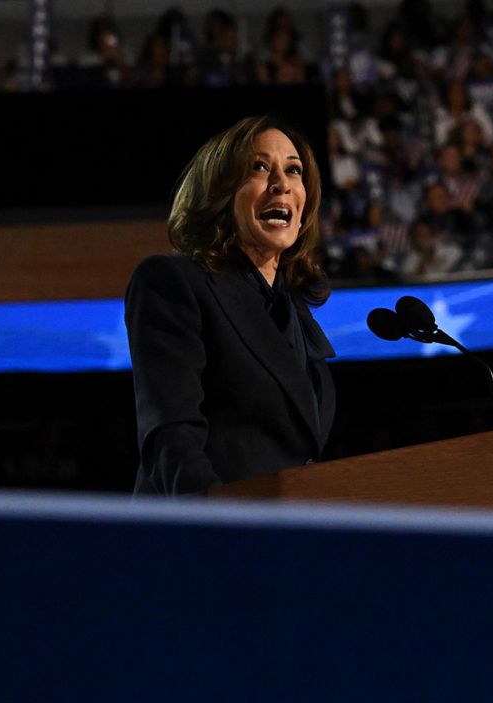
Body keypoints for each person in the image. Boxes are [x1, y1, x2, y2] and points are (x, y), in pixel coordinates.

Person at [125, 117, 335, 495]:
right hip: (205, 539)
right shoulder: (171, 282)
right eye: (259, 167)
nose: (282, 184)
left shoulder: (294, 311)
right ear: (219, 192)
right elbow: (173, 438)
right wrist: (223, 530)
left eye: (293, 170)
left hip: (283, 538)